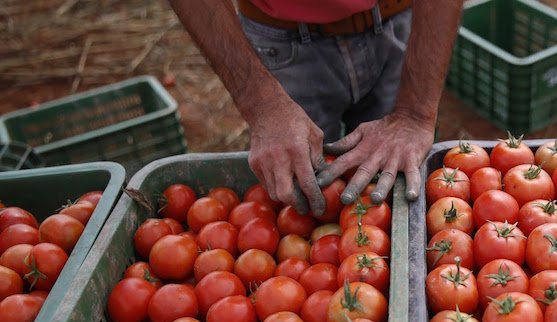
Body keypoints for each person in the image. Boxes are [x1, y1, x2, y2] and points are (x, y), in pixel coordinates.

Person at [167, 0, 464, 217]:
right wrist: (262, 104)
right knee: (301, 205)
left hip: (403, 18)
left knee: (397, 196)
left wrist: (415, 113)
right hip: (279, 38)